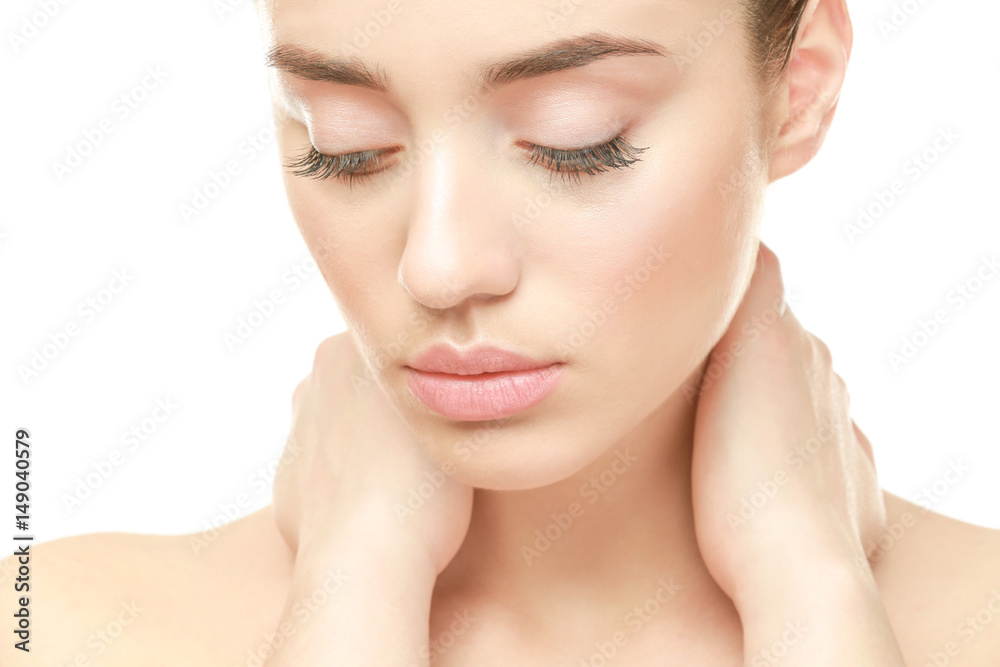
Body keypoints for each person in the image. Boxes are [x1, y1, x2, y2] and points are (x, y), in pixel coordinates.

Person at [6, 0, 1000, 664]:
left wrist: (811, 592)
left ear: (799, 89)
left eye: (577, 140)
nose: (437, 266)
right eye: (344, 144)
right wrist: (353, 591)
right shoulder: (52, 627)